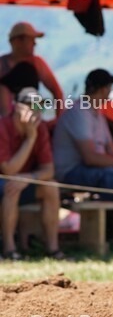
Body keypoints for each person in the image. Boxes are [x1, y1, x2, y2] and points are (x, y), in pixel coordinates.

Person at [52, 69, 113, 243]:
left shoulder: (96, 113)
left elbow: (112, 150)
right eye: (109, 88)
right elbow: (90, 158)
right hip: (71, 172)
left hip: (87, 168)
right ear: (104, 89)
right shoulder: (79, 112)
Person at [0, 88, 62, 259]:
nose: (36, 111)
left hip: (23, 181)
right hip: (5, 182)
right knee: (12, 186)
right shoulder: (3, 127)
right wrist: (30, 138)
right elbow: (8, 170)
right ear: (17, 106)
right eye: (31, 105)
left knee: (51, 187)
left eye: (39, 106)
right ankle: (9, 249)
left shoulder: (40, 128)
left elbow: (49, 170)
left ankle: (53, 249)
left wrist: (29, 178)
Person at [0, 22, 63, 119]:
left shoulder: (37, 63)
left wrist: (59, 119)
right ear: (17, 41)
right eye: (31, 39)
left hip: (31, 120)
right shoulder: (2, 64)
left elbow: (57, 92)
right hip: (6, 122)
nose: (35, 43)